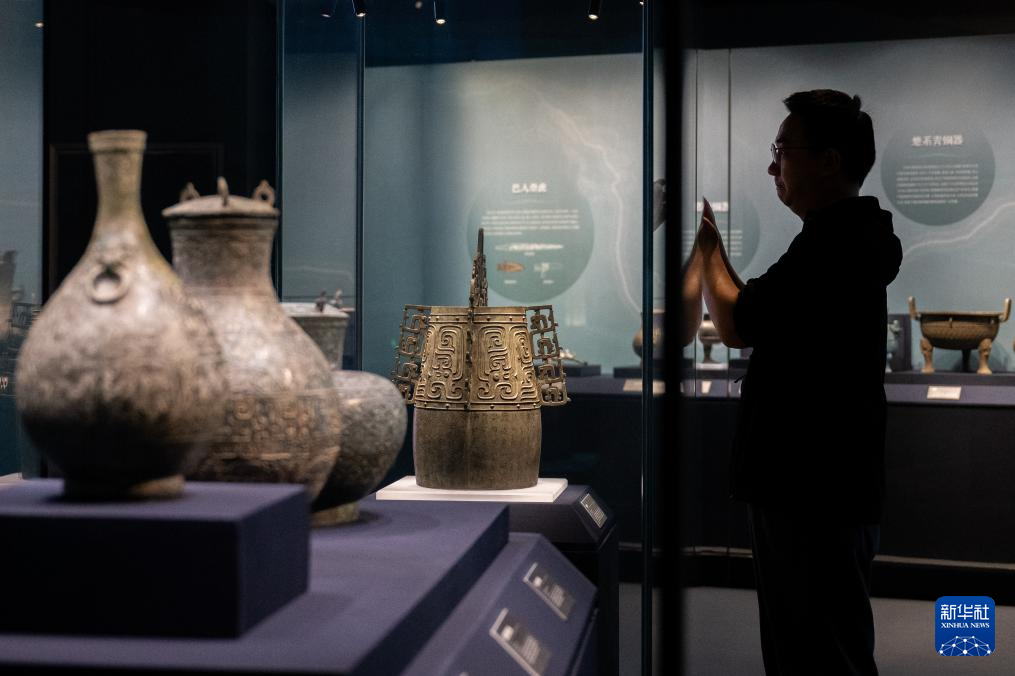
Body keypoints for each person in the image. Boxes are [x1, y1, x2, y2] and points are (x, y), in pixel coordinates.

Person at [695, 90, 903, 675]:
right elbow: (757, 310)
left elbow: (735, 324)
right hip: (825, 484)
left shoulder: (834, 245)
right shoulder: (845, 239)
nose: (773, 167)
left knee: (814, 653)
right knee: (826, 645)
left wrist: (707, 248)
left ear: (829, 161)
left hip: (808, 488)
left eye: (782, 151)